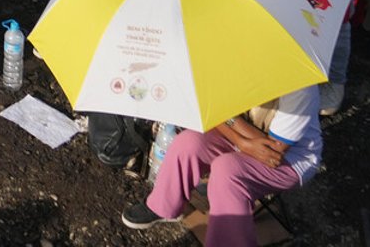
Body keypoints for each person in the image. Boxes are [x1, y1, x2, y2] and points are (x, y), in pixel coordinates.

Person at [122, 86, 322, 244]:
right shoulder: (235, 57)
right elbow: (210, 109)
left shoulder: (301, 89)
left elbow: (273, 150)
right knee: (188, 142)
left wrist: (228, 119)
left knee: (227, 173)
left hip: (292, 158)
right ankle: (164, 206)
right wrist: (241, 139)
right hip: (245, 135)